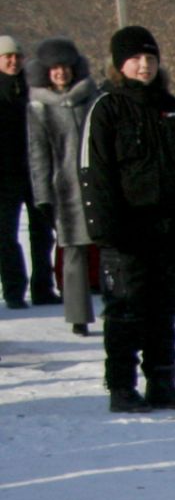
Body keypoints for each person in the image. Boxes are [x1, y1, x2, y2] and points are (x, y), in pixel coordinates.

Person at [79, 25, 175, 412]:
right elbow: (94, 173)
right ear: (119, 64)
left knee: (164, 308)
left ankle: (162, 381)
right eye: (135, 59)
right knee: (126, 309)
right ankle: (122, 386)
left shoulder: (173, 109)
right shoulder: (107, 108)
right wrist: (104, 228)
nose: (144, 65)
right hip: (124, 228)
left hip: (166, 225)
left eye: (150, 58)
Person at [26, 38, 99, 335]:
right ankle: (78, 315)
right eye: (54, 68)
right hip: (65, 188)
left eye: (65, 67)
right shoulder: (39, 106)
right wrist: (42, 195)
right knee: (73, 252)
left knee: (112, 249)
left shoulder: (92, 97)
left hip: (98, 182)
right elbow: (38, 154)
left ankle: (122, 306)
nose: (60, 73)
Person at [1, 33, 57, 308]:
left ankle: (43, 287)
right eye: (7, 57)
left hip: (35, 170)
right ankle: (14, 290)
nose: (13, 61)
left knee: (43, 233)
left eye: (17, 56)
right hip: (5, 174)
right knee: (6, 236)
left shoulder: (33, 87)